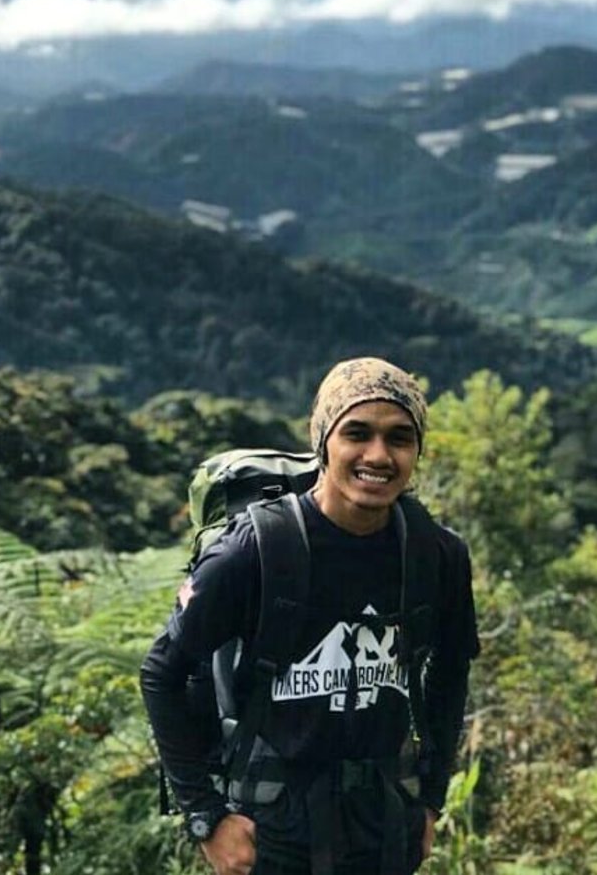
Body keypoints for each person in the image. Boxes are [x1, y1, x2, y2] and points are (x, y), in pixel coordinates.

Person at [141, 356, 480, 875]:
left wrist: (430, 802)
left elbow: (451, 673)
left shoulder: (436, 555)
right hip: (270, 831)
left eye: (399, 438)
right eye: (357, 433)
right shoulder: (256, 551)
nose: (378, 455)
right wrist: (206, 820)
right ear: (324, 440)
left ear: (417, 450)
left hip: (384, 828)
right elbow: (161, 673)